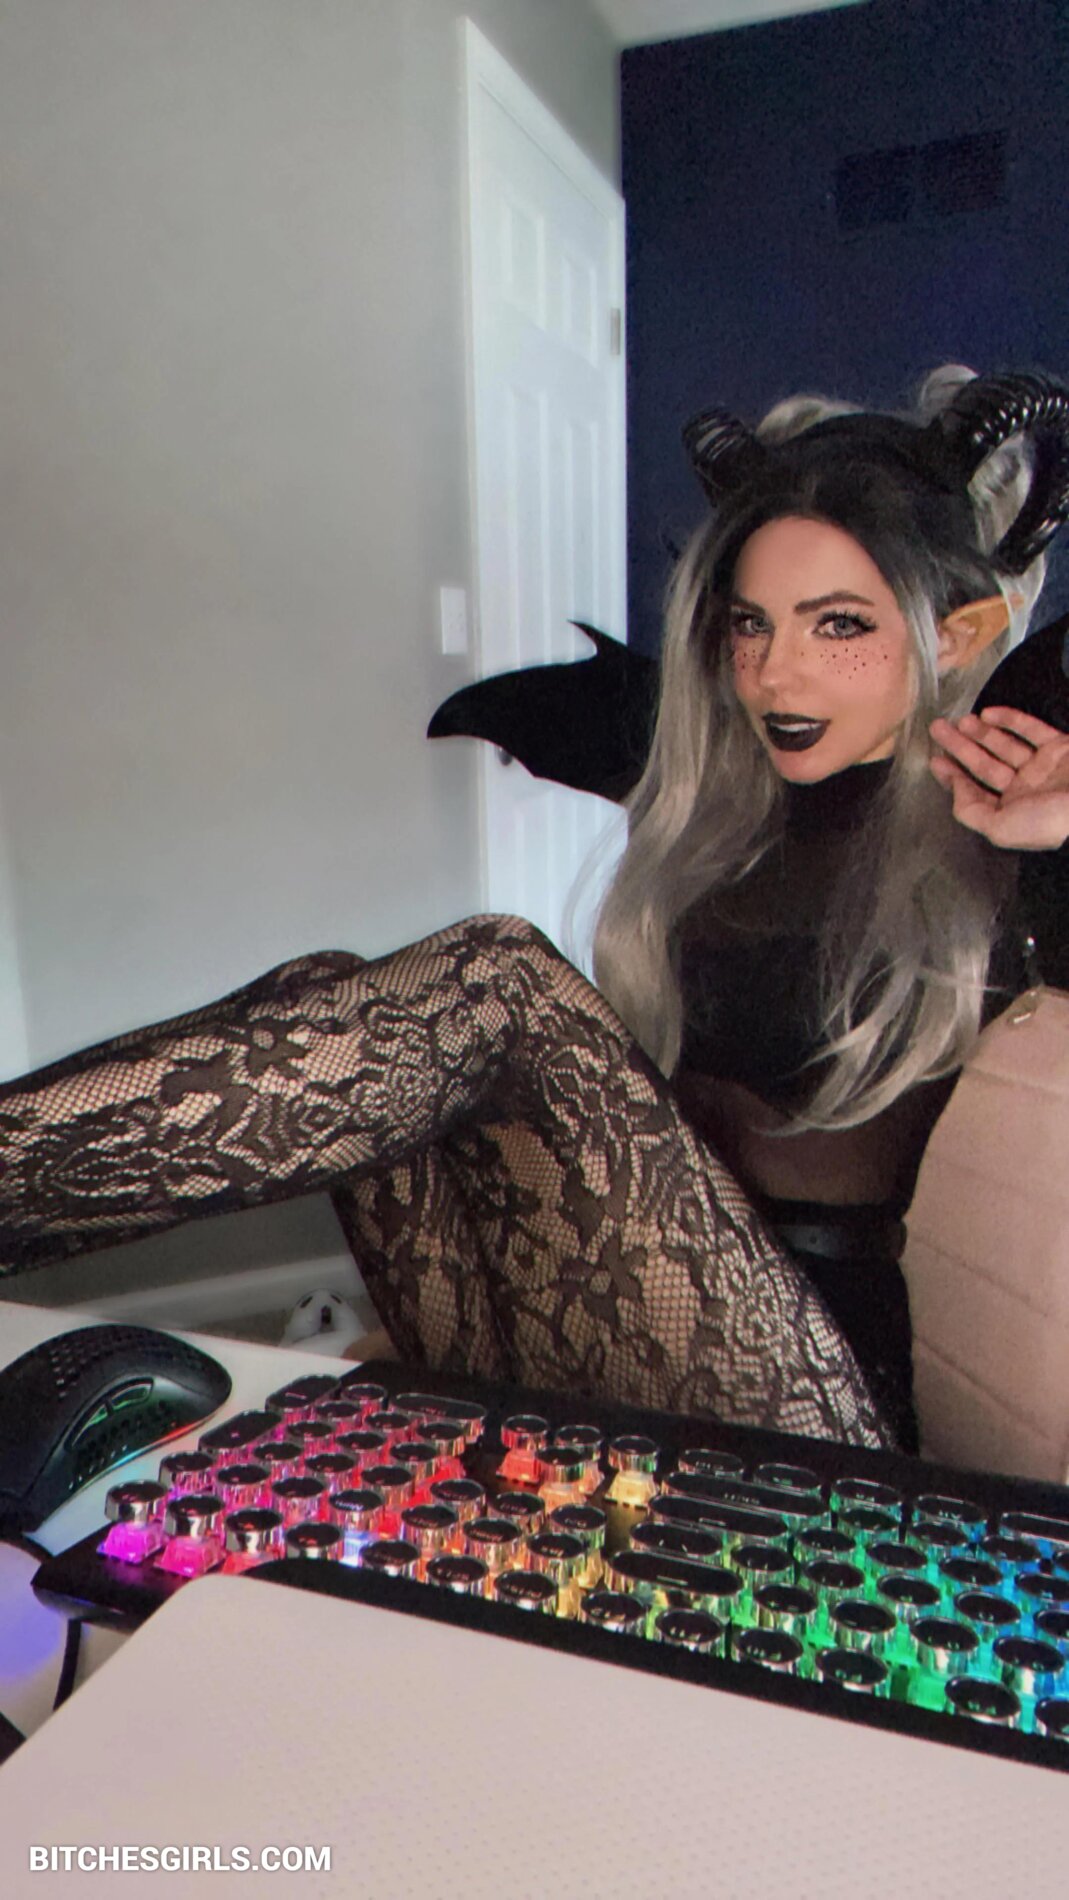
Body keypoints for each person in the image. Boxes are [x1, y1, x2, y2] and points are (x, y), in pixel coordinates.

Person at [1, 368, 1067, 1456]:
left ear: (957, 635)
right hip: (632, 1298)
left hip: (816, 1395)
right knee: (321, 986)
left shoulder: (998, 845)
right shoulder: (728, 820)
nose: (774, 675)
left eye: (837, 625)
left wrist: (1063, 825)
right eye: (750, 625)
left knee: (500, 977)